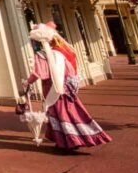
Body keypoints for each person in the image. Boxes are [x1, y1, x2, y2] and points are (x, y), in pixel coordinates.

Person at [23, 23, 111, 151]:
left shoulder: (42, 55)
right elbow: (70, 71)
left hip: (52, 87)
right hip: (66, 86)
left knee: (59, 112)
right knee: (71, 111)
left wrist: (27, 82)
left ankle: (68, 141)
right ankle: (75, 137)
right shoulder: (61, 53)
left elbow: (40, 73)